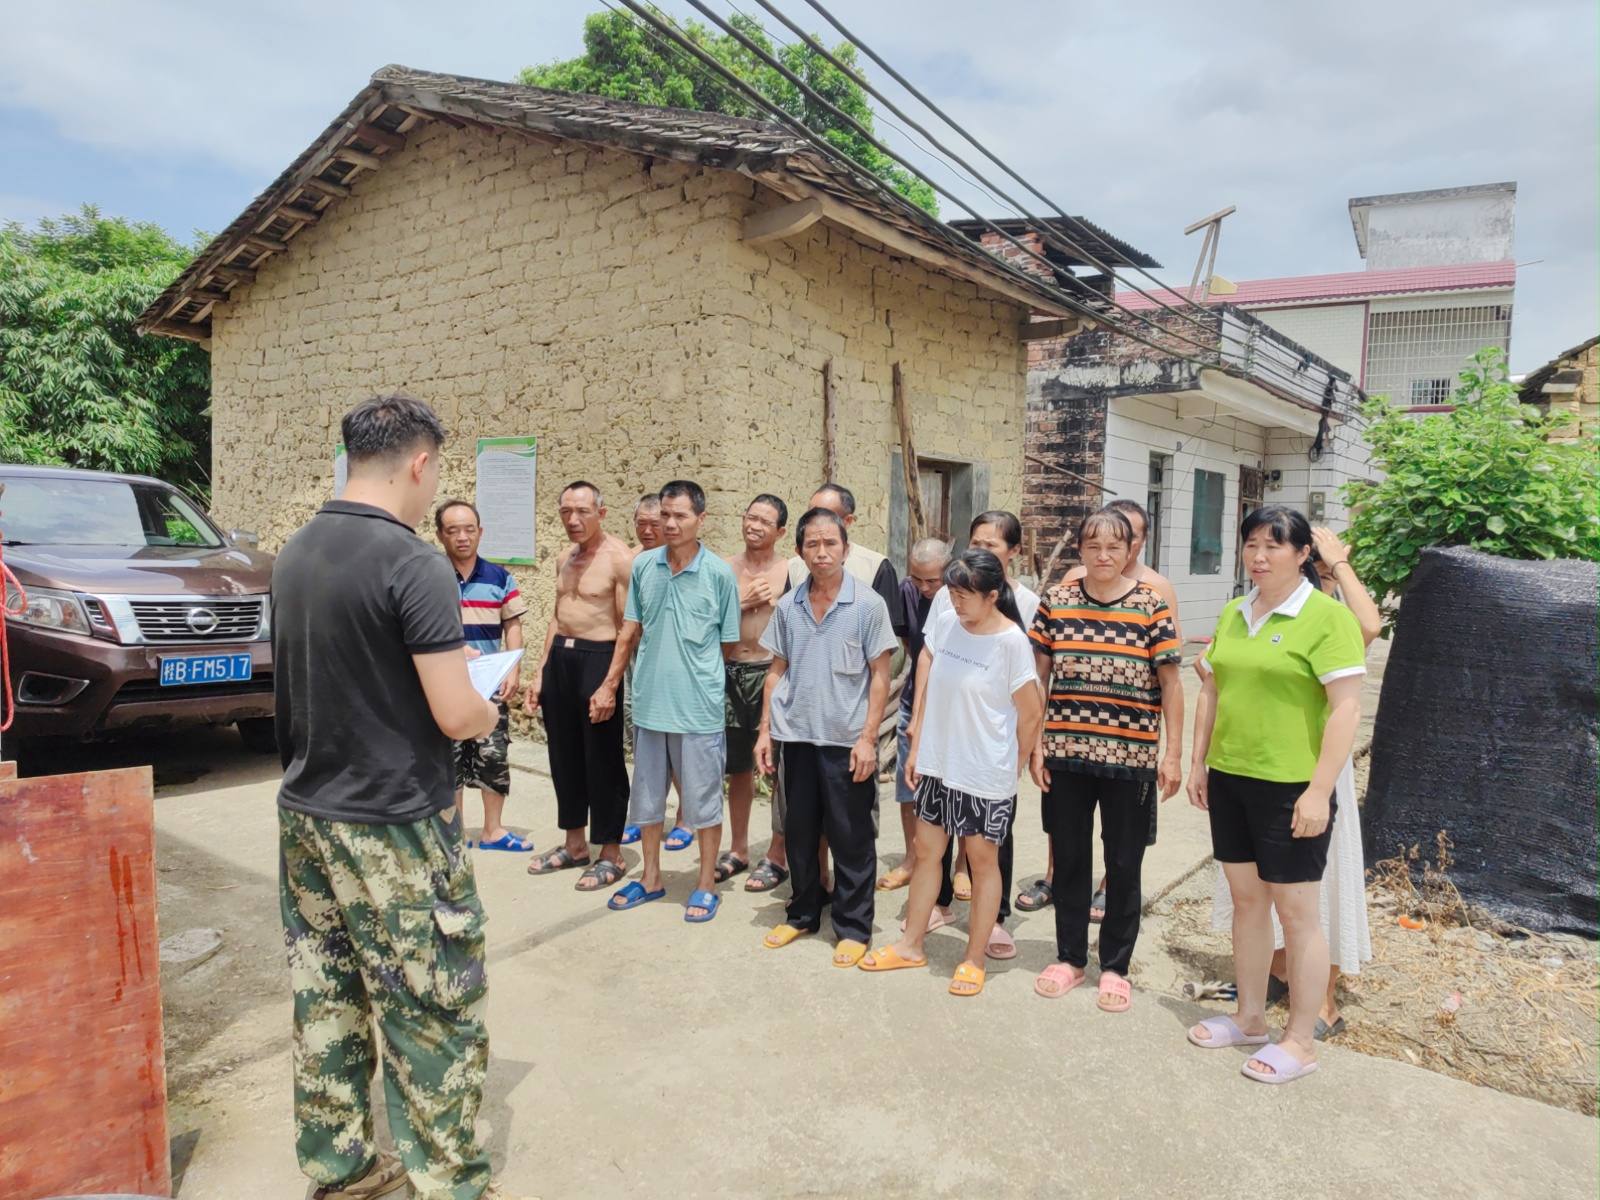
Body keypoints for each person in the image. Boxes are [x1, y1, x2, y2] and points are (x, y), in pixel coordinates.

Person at [273, 393, 525, 1200]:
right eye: (436, 473)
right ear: (419, 464)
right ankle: (449, 1180)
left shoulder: (296, 550)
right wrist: (492, 704)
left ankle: (339, 1166)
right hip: (392, 824)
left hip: (308, 811)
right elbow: (455, 711)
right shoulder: (410, 561)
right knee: (432, 1007)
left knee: (327, 995)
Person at [1186, 506, 1365, 1085]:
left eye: (1274, 546)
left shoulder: (1325, 618)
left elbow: (1346, 710)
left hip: (1291, 785)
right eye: (1251, 545)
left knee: (1298, 915)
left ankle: (1302, 1041)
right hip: (1233, 777)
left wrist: (1317, 792)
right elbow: (1213, 689)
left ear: (1302, 554)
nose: (1259, 557)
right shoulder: (1237, 612)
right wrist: (1199, 763)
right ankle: (1251, 1017)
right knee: (1246, 902)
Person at [860, 550, 1043, 997]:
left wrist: (1012, 766)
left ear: (993, 596)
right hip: (939, 765)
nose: (955, 603)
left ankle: (974, 958)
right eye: (952, 593)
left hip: (983, 773)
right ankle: (910, 945)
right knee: (927, 853)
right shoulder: (946, 620)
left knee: (982, 864)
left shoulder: (1011, 642)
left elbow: (1031, 713)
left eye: (964, 596)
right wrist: (917, 744)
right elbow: (930, 686)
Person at [1028, 508, 1183, 1014]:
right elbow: (1038, 679)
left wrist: (1172, 753)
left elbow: (1172, 685)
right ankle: (1071, 958)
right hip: (1067, 753)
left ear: (1130, 551)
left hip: (1131, 757)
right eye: (1093, 546)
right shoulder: (1056, 602)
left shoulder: (1151, 606)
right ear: (1080, 549)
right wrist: (1034, 744)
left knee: (1123, 863)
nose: (1103, 556)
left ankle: (1115, 966)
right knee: (1069, 858)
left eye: (1114, 547)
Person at [590, 480, 741, 921]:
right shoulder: (643, 568)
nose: (671, 523)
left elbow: (726, 645)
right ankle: (651, 878)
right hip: (650, 704)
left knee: (704, 801)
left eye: (681, 516)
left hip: (699, 709)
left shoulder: (717, 573)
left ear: (701, 519)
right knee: (649, 799)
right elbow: (631, 629)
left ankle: (706, 883)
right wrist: (611, 684)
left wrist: (694, 674)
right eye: (665, 515)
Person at [756, 507, 897, 965]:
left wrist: (868, 739)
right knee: (799, 832)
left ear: (845, 547)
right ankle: (802, 912)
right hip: (796, 737)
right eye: (812, 544)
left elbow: (881, 676)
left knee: (852, 837)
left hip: (846, 741)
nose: (821, 552)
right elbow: (776, 671)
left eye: (830, 543)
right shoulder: (789, 605)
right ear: (799, 550)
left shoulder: (868, 605)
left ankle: (854, 927)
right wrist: (765, 733)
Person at [920, 511, 1039, 960]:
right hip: (943, 753)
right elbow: (930, 662)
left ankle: (984, 939)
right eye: (975, 542)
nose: (981, 550)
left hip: (988, 759)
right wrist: (918, 728)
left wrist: (1019, 757)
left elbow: (1031, 702)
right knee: (930, 843)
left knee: (985, 853)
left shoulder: (1017, 624)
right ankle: (926, 923)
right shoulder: (950, 611)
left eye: (991, 545)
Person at [523, 482, 633, 891]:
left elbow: (627, 628)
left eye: (582, 511)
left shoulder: (619, 560)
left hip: (598, 659)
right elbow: (557, 617)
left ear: (601, 513)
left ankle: (611, 852)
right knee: (563, 756)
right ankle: (574, 844)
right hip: (562, 662)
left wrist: (609, 684)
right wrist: (541, 671)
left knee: (602, 759)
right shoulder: (564, 557)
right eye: (566, 510)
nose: (573, 519)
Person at [436, 499, 530, 853]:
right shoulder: (430, 577)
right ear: (441, 535)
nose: (462, 537)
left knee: (493, 754)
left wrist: (513, 667)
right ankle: (454, 835)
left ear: (480, 532)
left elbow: (513, 624)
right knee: (449, 759)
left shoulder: (500, 577)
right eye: (453, 530)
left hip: (489, 683)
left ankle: (493, 830)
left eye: (469, 529)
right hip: (443, 684)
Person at [722, 494, 791, 888]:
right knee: (738, 768)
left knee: (778, 767)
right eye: (750, 517)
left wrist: (776, 601)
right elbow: (711, 616)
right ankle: (739, 848)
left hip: (772, 671)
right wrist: (739, 601)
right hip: (730, 669)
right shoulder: (724, 568)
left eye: (765, 521)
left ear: (780, 531)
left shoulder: (790, 571)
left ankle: (777, 853)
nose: (754, 525)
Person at [875, 537, 951, 892]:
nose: (924, 587)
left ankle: (960, 866)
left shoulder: (962, 592)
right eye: (918, 578)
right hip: (913, 703)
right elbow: (911, 645)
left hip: (954, 708)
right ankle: (911, 857)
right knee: (909, 788)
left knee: (956, 789)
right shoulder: (907, 591)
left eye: (932, 581)